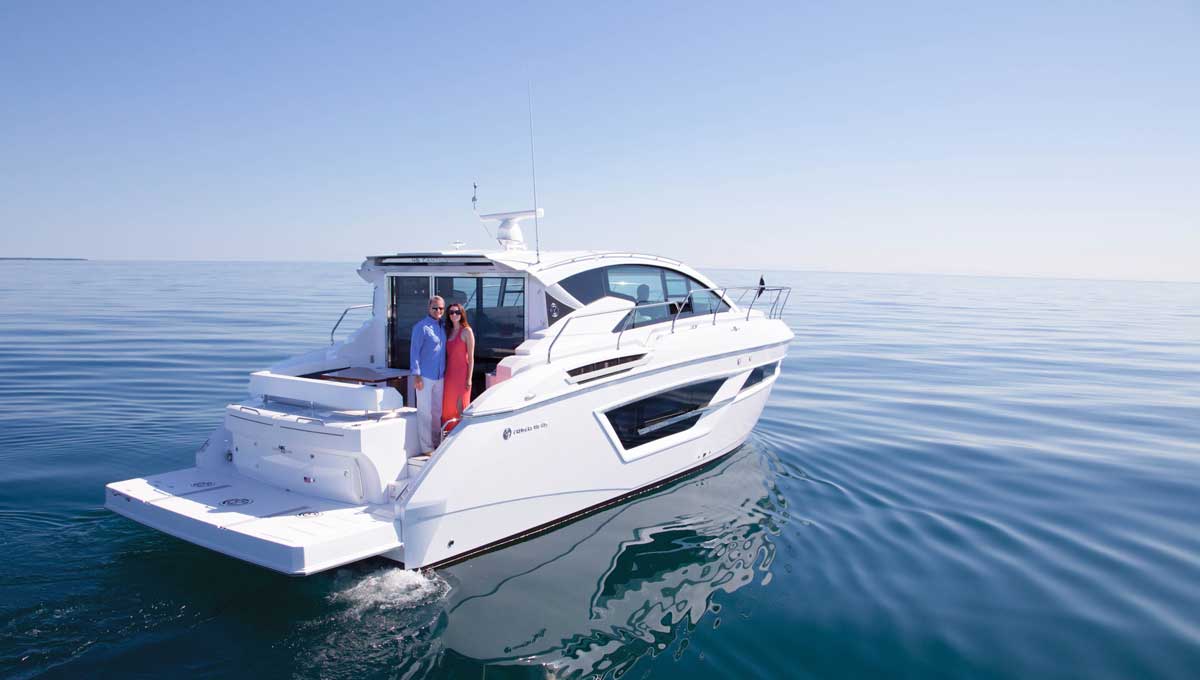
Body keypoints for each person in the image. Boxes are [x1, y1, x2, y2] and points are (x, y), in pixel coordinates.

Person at [410, 295, 446, 455]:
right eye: (435, 308)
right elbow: (414, 352)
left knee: (437, 412)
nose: (438, 311)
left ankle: (437, 442)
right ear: (429, 308)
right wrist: (416, 375)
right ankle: (426, 447)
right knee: (425, 411)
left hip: (440, 376)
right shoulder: (421, 327)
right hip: (425, 376)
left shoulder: (443, 326)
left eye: (441, 308)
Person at [441, 302, 475, 433]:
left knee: (460, 406)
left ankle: (461, 434)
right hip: (449, 374)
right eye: (451, 312)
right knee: (448, 406)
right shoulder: (447, 331)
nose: (454, 315)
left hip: (462, 374)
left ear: (462, 314)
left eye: (457, 312)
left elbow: (471, 358)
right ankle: (447, 434)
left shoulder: (467, 331)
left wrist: (469, 378)